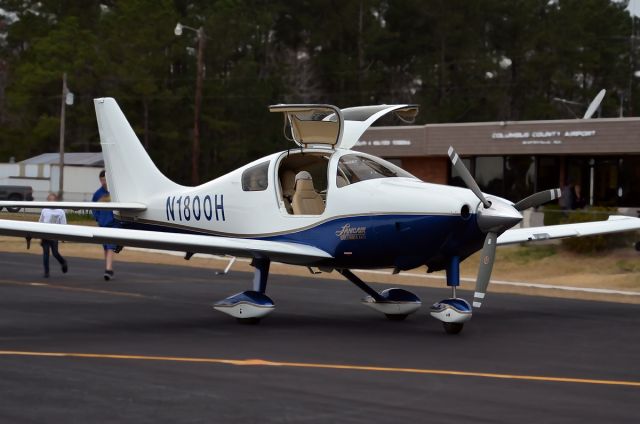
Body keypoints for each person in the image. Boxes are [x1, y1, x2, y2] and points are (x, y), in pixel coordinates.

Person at [92, 170, 120, 281]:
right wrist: (98, 218)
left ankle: (108, 269)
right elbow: (94, 208)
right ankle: (109, 268)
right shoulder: (97, 194)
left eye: (105, 179)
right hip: (103, 225)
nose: (104, 182)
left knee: (110, 247)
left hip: (113, 224)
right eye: (102, 180)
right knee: (106, 247)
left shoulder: (115, 193)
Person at [39, 193, 68, 278]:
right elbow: (40, 222)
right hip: (45, 235)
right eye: (49, 200)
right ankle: (46, 272)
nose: (51, 202)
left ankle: (63, 262)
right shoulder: (44, 210)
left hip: (55, 236)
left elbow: (64, 225)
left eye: (53, 200)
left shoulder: (60, 211)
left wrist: (63, 237)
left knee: (55, 253)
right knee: (46, 253)